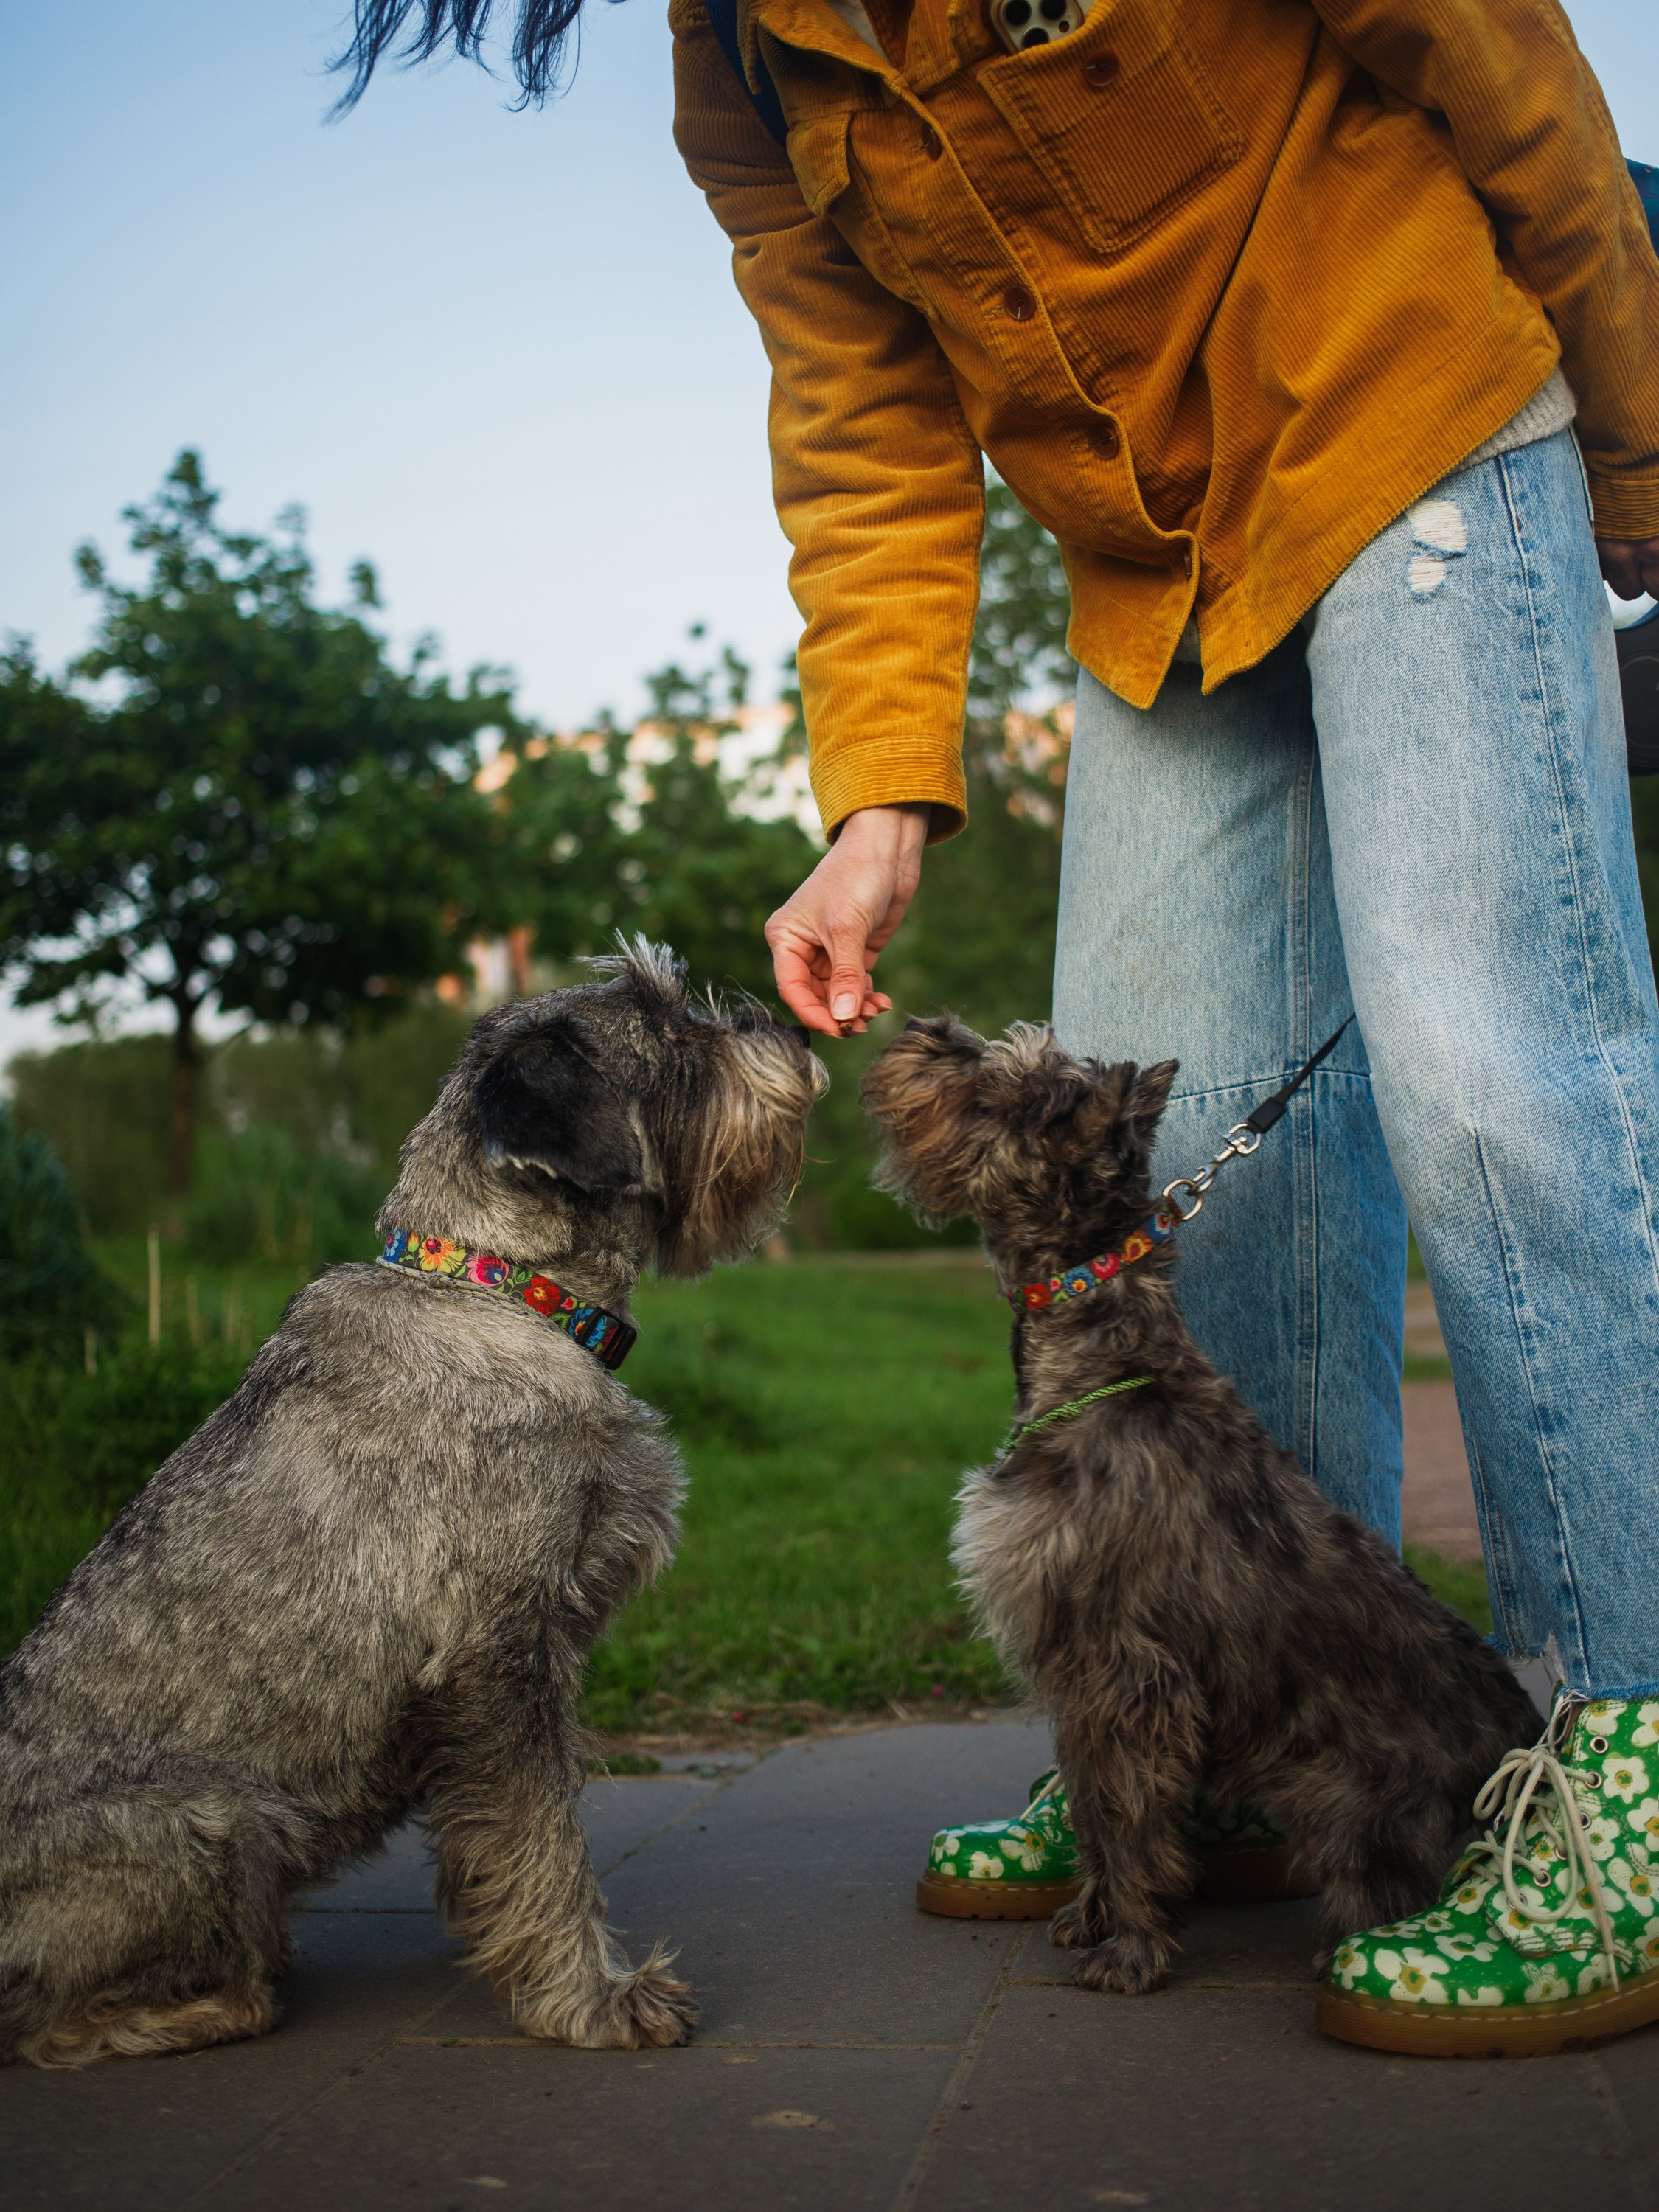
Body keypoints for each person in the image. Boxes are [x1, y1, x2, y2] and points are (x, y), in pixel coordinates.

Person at [341, 0, 1659, 2054]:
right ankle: (1232, 1736)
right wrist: (874, 807)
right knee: (1200, 1158)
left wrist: (1639, 443)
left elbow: (1483, 43)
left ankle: (1621, 1775)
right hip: (1154, 566)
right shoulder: (744, 57)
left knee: (1496, 1091)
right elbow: (862, 404)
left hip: (1415, 398)